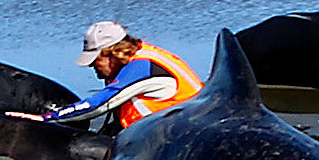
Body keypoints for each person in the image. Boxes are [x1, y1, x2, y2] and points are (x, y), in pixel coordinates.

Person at [34, 20, 201, 129]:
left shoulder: (142, 68)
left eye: (95, 61)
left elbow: (97, 105)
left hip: (185, 134)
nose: (92, 67)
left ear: (113, 53)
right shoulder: (140, 55)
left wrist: (46, 119)